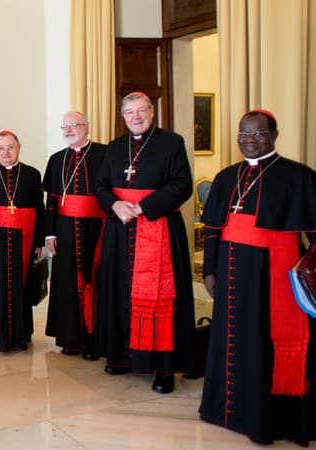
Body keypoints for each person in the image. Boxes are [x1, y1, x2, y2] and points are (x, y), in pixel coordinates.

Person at [199, 110, 316, 445]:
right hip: (230, 273)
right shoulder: (226, 177)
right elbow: (212, 230)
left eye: (257, 133)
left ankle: (267, 418)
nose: (249, 140)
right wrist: (210, 270)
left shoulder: (299, 177)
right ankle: (225, 411)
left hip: (273, 277)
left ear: (274, 135)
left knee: (263, 342)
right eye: (243, 133)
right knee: (230, 339)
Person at [95, 92, 195, 394]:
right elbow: (101, 185)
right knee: (119, 290)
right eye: (129, 112)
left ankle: (163, 367)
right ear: (123, 116)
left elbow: (182, 185)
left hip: (157, 227)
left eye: (141, 110)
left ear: (152, 112)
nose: (135, 117)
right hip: (120, 229)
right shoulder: (115, 147)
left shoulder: (171, 143)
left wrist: (142, 207)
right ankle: (122, 356)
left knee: (160, 297)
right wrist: (115, 205)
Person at [43, 112, 107, 360]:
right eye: (65, 126)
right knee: (67, 282)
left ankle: (95, 341)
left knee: (96, 281)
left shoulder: (104, 153)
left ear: (86, 128)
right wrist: (49, 233)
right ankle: (70, 340)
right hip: (65, 231)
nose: (69, 130)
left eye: (74, 125)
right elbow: (52, 201)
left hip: (96, 230)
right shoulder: (57, 159)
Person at [0, 130, 44, 352]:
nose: (5, 152)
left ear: (19, 148)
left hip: (23, 240)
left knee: (21, 285)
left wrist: (38, 242)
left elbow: (39, 210)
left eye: (10, 147)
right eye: (1, 148)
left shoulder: (32, 174)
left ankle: (20, 335)